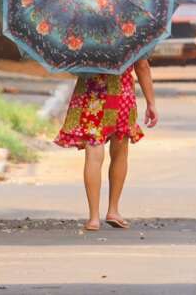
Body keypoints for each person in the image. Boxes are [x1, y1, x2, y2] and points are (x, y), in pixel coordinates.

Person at [54, 59, 158, 231]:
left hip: (90, 92)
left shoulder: (83, 32)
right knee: (120, 152)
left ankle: (94, 218)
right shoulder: (132, 32)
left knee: (94, 154)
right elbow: (142, 66)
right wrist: (151, 102)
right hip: (121, 94)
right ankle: (113, 210)